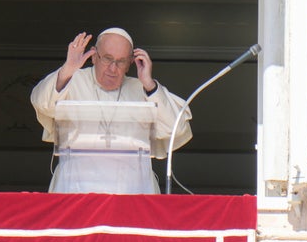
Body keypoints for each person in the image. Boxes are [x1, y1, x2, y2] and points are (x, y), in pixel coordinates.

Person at [30, 27, 192, 194]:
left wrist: (150, 85)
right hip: (76, 185)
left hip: (133, 189)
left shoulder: (143, 89)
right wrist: (67, 69)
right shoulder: (71, 80)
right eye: (107, 59)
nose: (113, 69)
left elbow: (177, 129)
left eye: (121, 61)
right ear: (94, 56)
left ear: (130, 63)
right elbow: (42, 103)